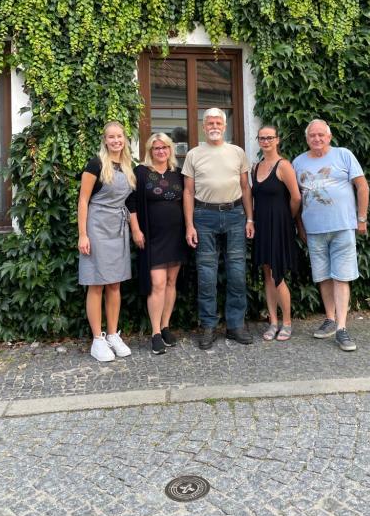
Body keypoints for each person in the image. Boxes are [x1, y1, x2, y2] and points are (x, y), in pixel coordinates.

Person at [293, 119, 369, 352]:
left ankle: (342, 328)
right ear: (307, 139)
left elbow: (362, 186)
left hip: (342, 227)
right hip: (314, 230)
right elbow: (296, 198)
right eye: (312, 135)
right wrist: (300, 226)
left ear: (329, 136)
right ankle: (330, 318)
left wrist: (362, 218)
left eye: (321, 135)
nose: (317, 139)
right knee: (323, 276)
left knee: (341, 276)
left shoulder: (343, 155)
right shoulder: (298, 162)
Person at [183, 107, 254, 349]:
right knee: (206, 275)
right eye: (209, 123)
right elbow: (188, 192)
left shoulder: (237, 152)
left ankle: (235, 325)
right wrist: (189, 224)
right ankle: (208, 325)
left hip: (235, 215)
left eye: (218, 122)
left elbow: (246, 188)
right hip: (204, 216)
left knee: (236, 273)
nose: (214, 126)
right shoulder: (194, 154)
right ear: (203, 127)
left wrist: (250, 219)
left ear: (225, 126)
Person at [78, 121, 135, 362]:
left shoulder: (128, 166)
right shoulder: (96, 164)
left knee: (115, 284)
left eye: (119, 136)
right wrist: (83, 234)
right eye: (111, 137)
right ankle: (97, 340)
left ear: (124, 139)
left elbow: (130, 203)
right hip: (97, 227)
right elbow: (83, 201)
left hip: (118, 228)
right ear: (105, 140)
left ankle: (112, 334)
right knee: (96, 283)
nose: (116, 140)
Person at [127, 133, 188, 355]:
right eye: (156, 148)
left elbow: (187, 200)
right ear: (149, 151)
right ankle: (154, 333)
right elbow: (131, 201)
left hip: (176, 235)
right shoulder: (141, 172)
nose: (161, 151)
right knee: (158, 283)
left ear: (170, 149)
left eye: (164, 147)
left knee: (171, 281)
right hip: (152, 236)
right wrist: (135, 229)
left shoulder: (177, 173)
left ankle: (165, 326)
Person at [252, 125, 301, 341]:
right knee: (267, 275)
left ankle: (287, 322)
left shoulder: (284, 166)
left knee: (277, 274)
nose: (265, 141)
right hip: (262, 225)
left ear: (277, 140)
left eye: (269, 137)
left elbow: (296, 197)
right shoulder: (256, 167)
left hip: (280, 225)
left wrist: (286, 218)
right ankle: (273, 321)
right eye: (262, 138)